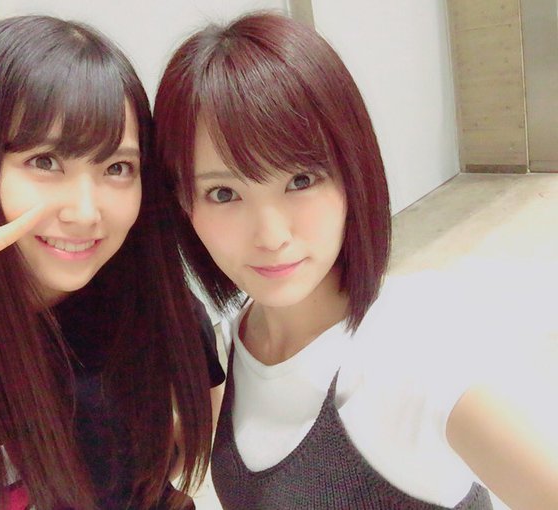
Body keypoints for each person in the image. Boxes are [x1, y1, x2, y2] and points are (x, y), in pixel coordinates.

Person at [154, 12, 558, 510]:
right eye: (223, 193)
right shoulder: (240, 331)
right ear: (183, 203)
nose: (272, 237)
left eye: (300, 181)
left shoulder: (412, 354)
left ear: (352, 173)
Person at [0, 15, 224, 510]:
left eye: (117, 167)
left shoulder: (157, 305)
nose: (84, 213)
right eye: (45, 161)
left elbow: (193, 454)